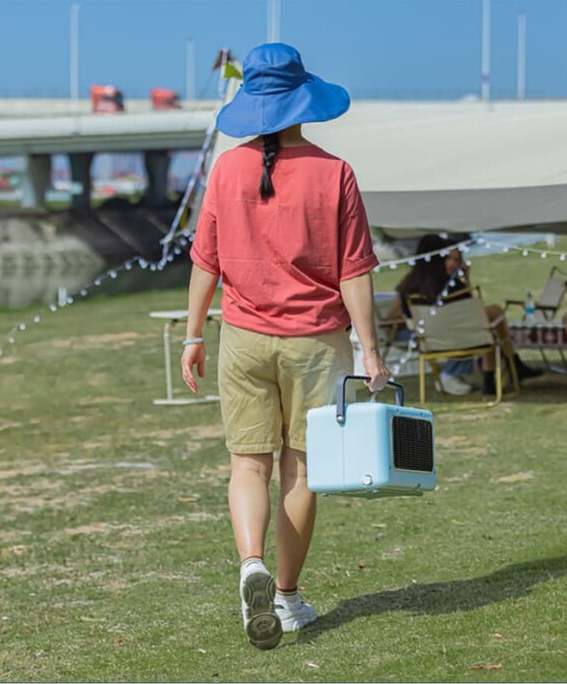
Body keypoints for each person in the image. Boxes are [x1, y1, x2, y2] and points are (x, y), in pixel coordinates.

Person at [180, 42, 391, 650]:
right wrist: (371, 351)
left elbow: (205, 261)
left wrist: (193, 334)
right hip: (316, 343)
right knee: (300, 469)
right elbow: (354, 271)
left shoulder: (227, 170)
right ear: (303, 99)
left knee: (248, 464)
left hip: (243, 339)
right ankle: (287, 597)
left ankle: (251, 563)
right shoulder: (335, 172)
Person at [387, 234, 543, 396]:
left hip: (430, 340)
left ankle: (507, 370)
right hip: (460, 338)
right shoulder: (451, 287)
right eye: (448, 258)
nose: (453, 264)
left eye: (457, 260)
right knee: (492, 318)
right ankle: (509, 366)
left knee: (489, 326)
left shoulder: (409, 286)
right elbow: (471, 311)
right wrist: (466, 280)